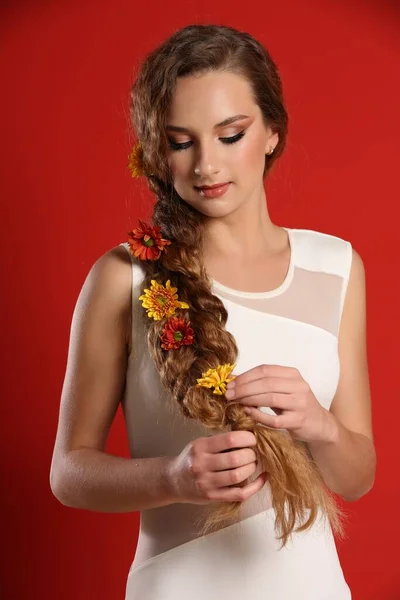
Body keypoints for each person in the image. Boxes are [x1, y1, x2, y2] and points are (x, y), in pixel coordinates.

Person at [50, 23, 376, 599]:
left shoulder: (338, 267)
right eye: (181, 141)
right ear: (159, 150)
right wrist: (172, 477)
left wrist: (318, 425)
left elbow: (357, 478)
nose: (206, 166)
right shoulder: (125, 277)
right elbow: (69, 473)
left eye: (231, 135)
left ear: (272, 131)